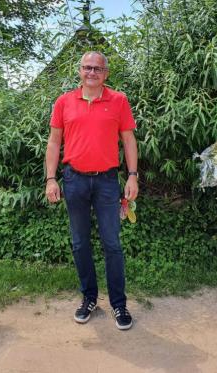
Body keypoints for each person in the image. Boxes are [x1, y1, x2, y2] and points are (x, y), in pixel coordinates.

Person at [45, 51, 139, 330]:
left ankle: (119, 304)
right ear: (80, 71)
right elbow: (54, 142)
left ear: (106, 73)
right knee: (79, 243)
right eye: (87, 67)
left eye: (98, 68)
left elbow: (129, 140)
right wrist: (51, 179)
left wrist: (132, 176)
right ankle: (89, 298)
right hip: (74, 179)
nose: (92, 72)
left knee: (112, 243)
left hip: (107, 181)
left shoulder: (119, 100)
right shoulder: (64, 101)